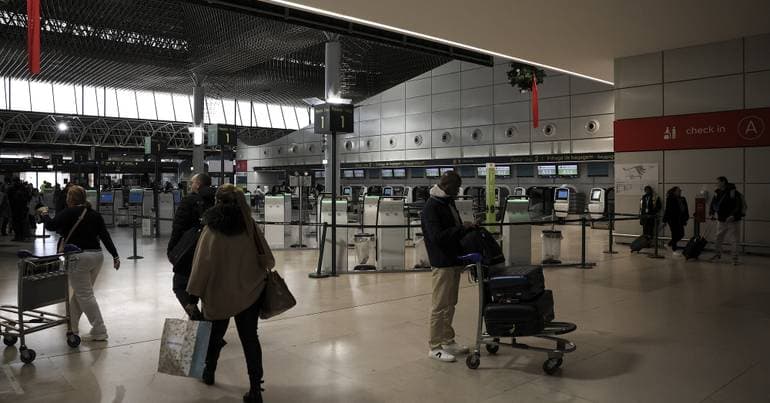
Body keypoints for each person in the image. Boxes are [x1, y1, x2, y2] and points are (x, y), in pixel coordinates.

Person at [187, 184, 271, 403]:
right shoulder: (249, 226)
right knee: (250, 339)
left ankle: (209, 372)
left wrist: (192, 297)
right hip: (249, 293)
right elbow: (268, 259)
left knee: (214, 337)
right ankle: (255, 389)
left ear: (216, 202)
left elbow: (201, 266)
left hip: (218, 295)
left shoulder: (211, 230)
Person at [41, 185, 120, 341]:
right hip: (97, 257)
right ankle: (73, 328)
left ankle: (99, 329)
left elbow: (50, 225)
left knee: (84, 295)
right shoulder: (94, 214)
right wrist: (115, 255)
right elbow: (105, 236)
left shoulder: (68, 212)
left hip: (78, 258)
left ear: (70, 198)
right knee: (80, 294)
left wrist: (44, 214)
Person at [421, 171, 475, 363]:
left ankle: (447, 340)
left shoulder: (448, 202)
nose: (459, 189)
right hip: (442, 262)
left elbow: (454, 228)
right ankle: (434, 346)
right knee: (439, 305)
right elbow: (437, 237)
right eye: (457, 186)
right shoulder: (431, 207)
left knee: (451, 303)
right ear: (447, 185)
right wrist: (463, 228)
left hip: (454, 260)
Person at [167, 173, 215, 319]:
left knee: (180, 285)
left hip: (190, 252)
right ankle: (210, 326)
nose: (191, 185)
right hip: (211, 251)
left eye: (192, 182)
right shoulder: (216, 201)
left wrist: (172, 249)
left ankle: (198, 321)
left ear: (198, 184)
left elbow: (178, 227)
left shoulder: (189, 201)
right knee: (207, 288)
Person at [709, 176, 745, 264]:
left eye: (718, 182)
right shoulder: (717, 192)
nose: (716, 184)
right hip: (721, 220)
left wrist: (733, 215)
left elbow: (738, 205)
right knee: (718, 238)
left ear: (723, 182)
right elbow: (713, 203)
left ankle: (735, 258)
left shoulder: (733, 192)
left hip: (732, 220)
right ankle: (717, 255)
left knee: (734, 239)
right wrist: (712, 212)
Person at [663, 186, 689, 255]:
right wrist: (664, 220)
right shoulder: (670, 199)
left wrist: (686, 218)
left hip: (680, 219)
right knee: (674, 234)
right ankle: (674, 250)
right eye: (678, 190)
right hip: (672, 219)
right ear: (674, 192)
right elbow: (667, 210)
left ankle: (669, 244)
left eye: (680, 190)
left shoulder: (683, 199)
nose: (680, 191)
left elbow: (685, 209)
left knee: (681, 234)